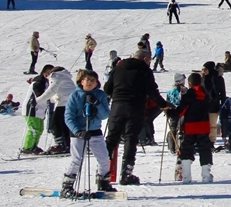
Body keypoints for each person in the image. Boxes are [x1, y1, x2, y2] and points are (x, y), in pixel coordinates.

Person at [103, 49, 171, 185]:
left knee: (111, 139)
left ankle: (103, 174)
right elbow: (152, 91)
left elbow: (107, 89)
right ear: (145, 58)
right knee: (130, 139)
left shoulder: (118, 68)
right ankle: (126, 174)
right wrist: (163, 104)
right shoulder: (144, 70)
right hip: (135, 107)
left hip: (117, 107)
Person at [60, 70, 114, 198]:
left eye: (92, 80)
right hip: (78, 132)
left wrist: (97, 103)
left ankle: (103, 183)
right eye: (87, 80)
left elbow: (105, 114)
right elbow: (69, 117)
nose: (89, 83)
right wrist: (78, 131)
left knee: (104, 158)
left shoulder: (100, 95)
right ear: (81, 81)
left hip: (95, 131)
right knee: (77, 159)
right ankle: (67, 186)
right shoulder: (75, 95)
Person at [170, 72, 214, 183]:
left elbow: (181, 112)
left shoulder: (188, 96)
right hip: (203, 126)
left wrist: (170, 112)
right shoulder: (206, 95)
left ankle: (186, 176)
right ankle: (206, 175)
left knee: (187, 148)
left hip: (190, 126)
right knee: (205, 148)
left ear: (189, 83)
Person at [21, 65, 55, 154]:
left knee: (39, 128)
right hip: (32, 108)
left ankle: (33, 145)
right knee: (34, 128)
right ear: (43, 71)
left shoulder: (48, 82)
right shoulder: (39, 81)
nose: (48, 74)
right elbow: (37, 91)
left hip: (40, 110)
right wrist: (44, 96)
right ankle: (27, 146)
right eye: (47, 72)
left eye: (50, 72)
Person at [201, 61, 227, 142]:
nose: (203, 71)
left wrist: (223, 105)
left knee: (212, 125)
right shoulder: (202, 79)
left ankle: (211, 141)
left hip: (214, 106)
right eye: (202, 69)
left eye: (205, 69)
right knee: (203, 124)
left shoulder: (219, 79)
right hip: (203, 105)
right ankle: (203, 141)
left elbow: (223, 93)